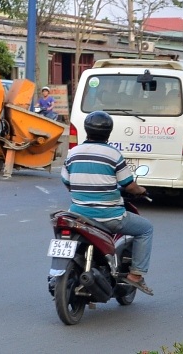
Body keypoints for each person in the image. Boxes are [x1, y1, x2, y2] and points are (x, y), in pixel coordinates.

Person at [61, 110, 154, 295]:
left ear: (86, 130)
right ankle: (136, 276)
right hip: (109, 216)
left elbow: (66, 181)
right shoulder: (113, 154)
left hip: (78, 215)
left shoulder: (73, 153)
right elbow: (128, 185)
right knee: (146, 229)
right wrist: (141, 190)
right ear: (108, 132)